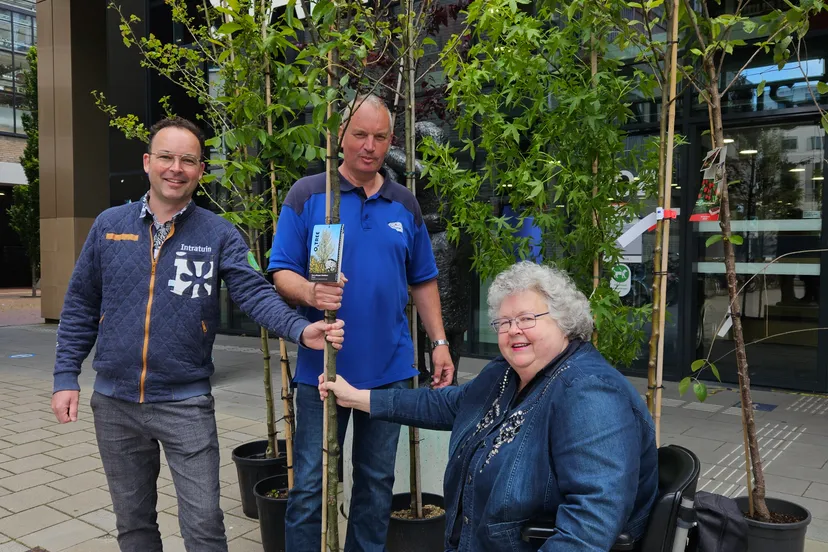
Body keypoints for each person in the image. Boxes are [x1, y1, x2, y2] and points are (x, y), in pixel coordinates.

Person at [50, 116, 345, 552]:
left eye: (188, 160)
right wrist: (64, 377)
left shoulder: (219, 234)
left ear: (201, 170)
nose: (176, 168)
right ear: (147, 162)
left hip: (185, 403)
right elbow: (79, 306)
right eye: (166, 157)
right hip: (114, 404)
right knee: (133, 526)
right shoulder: (109, 225)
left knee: (204, 528)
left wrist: (302, 331)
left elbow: (254, 294)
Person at [321, 261, 659, 552]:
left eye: (527, 319)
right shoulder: (507, 373)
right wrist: (358, 397)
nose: (514, 331)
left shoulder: (590, 393)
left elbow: (591, 522)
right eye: (504, 323)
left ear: (564, 321)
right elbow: (449, 404)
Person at [268, 93, 454, 551]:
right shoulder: (313, 196)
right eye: (359, 135)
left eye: (379, 136)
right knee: (310, 486)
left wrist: (440, 342)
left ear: (390, 140)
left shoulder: (403, 203)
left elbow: (423, 279)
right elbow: (280, 271)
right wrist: (311, 291)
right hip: (322, 369)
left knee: (375, 485)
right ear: (338, 137)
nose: (369, 146)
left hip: (388, 373)